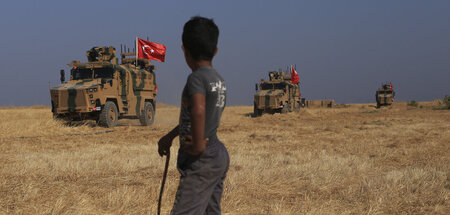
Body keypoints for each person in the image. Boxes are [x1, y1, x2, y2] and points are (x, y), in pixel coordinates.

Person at [158, 16, 229, 215]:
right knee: (210, 211)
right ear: (215, 50)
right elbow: (200, 115)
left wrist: (197, 145)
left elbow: (197, 109)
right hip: (217, 153)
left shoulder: (196, 78)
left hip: (202, 157)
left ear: (184, 50)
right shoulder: (219, 80)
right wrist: (170, 136)